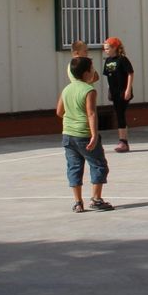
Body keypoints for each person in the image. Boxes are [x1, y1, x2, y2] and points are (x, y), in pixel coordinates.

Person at [56, 56, 112, 211]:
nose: (94, 71)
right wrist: (94, 135)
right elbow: (91, 113)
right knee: (98, 165)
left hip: (67, 134)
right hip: (84, 134)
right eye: (92, 68)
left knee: (74, 167)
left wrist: (71, 118)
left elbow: (59, 111)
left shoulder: (66, 89)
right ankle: (96, 199)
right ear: (87, 73)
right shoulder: (89, 90)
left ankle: (78, 202)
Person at [102, 37, 135, 151]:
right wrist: (109, 90)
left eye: (107, 48)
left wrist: (128, 89)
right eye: (104, 48)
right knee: (119, 113)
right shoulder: (107, 61)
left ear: (114, 47)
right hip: (114, 91)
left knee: (120, 114)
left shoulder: (122, 59)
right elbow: (108, 77)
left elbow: (130, 73)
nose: (105, 50)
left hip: (123, 91)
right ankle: (123, 141)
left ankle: (123, 142)